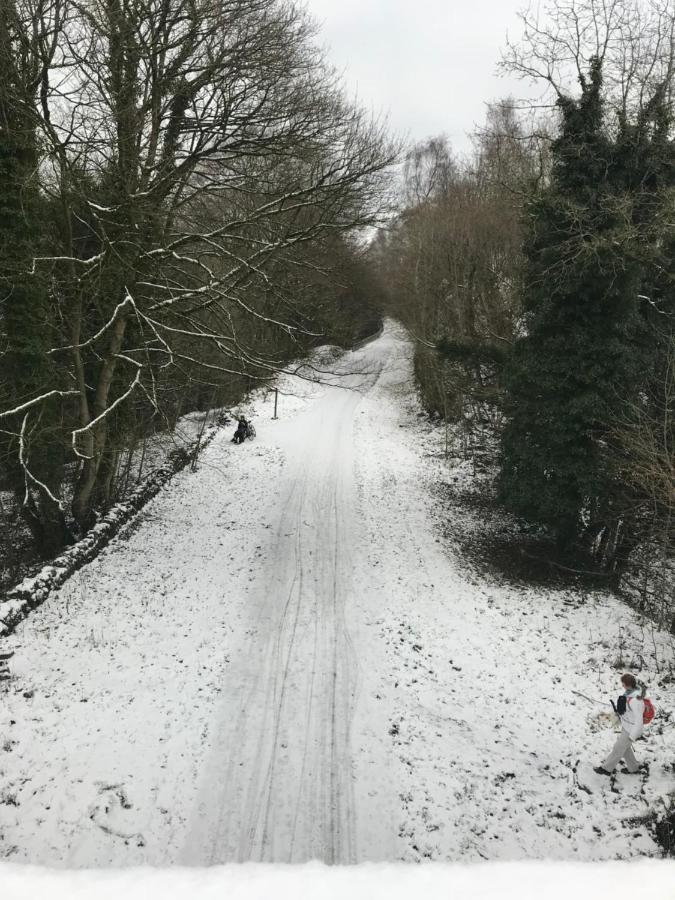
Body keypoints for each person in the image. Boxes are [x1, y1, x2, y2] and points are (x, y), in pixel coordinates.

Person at [594, 673, 646, 776]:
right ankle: (633, 768)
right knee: (625, 748)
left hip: (631, 730)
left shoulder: (636, 700)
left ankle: (606, 769)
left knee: (618, 748)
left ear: (628, 684)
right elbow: (628, 711)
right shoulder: (629, 693)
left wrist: (633, 736)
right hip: (626, 726)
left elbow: (639, 720)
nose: (622, 685)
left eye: (623, 684)